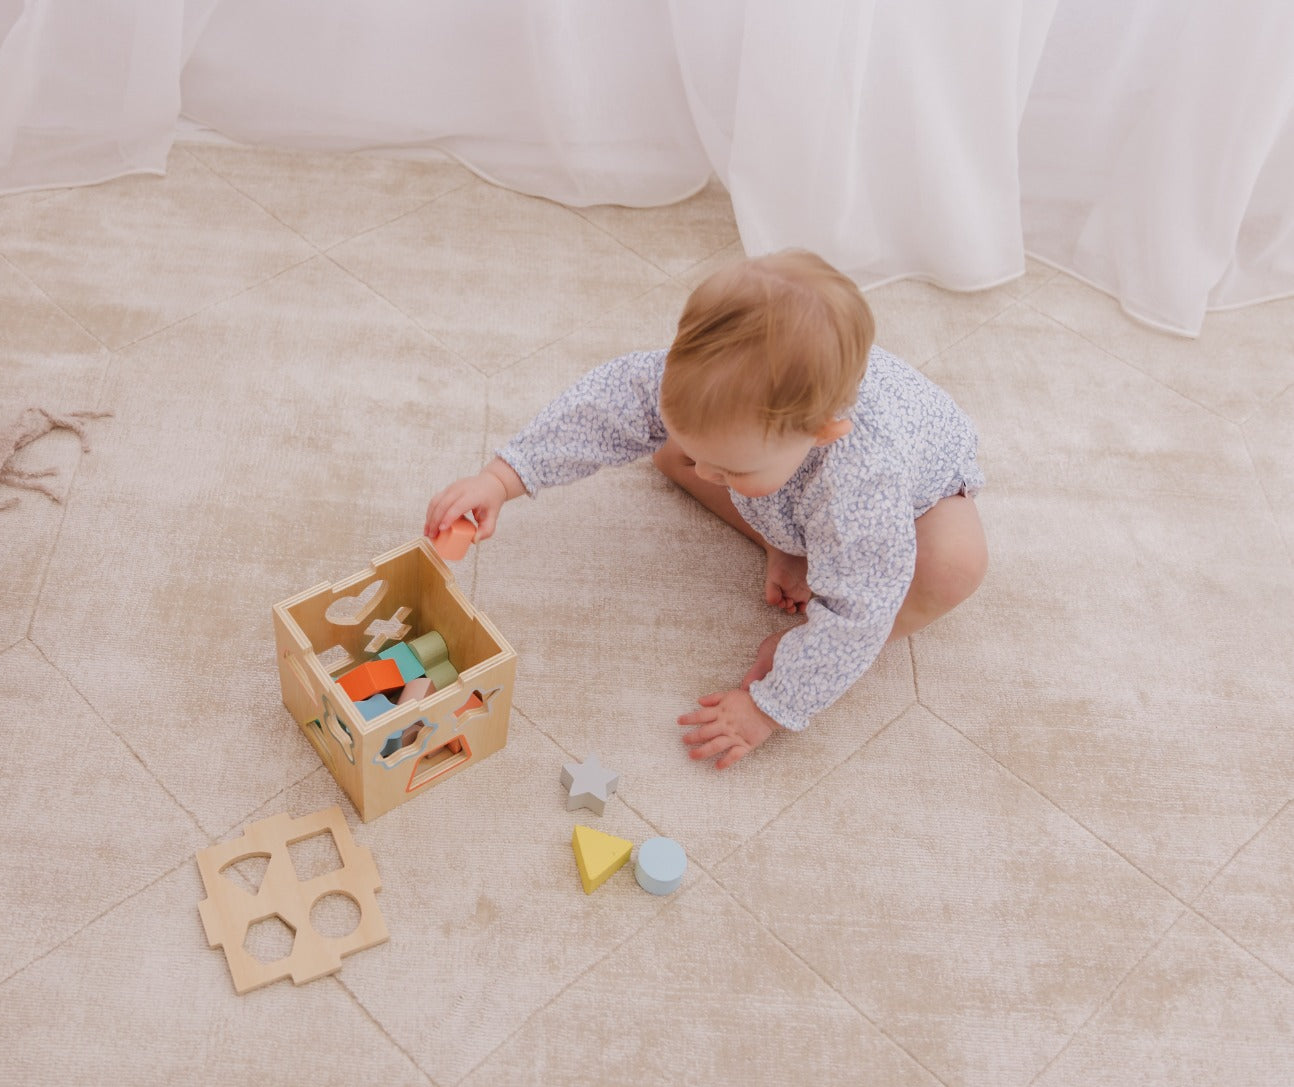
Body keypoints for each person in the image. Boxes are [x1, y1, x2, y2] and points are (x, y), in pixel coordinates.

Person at [423, 250, 987, 769]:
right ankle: (782, 538)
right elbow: (601, 410)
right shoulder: (705, 389)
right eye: (709, 457)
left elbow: (858, 613)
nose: (713, 475)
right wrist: (502, 478)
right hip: (797, 494)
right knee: (672, 458)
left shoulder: (862, 484)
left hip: (918, 502)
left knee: (952, 565)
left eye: (734, 469)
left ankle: (799, 554)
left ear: (820, 433)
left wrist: (772, 701)